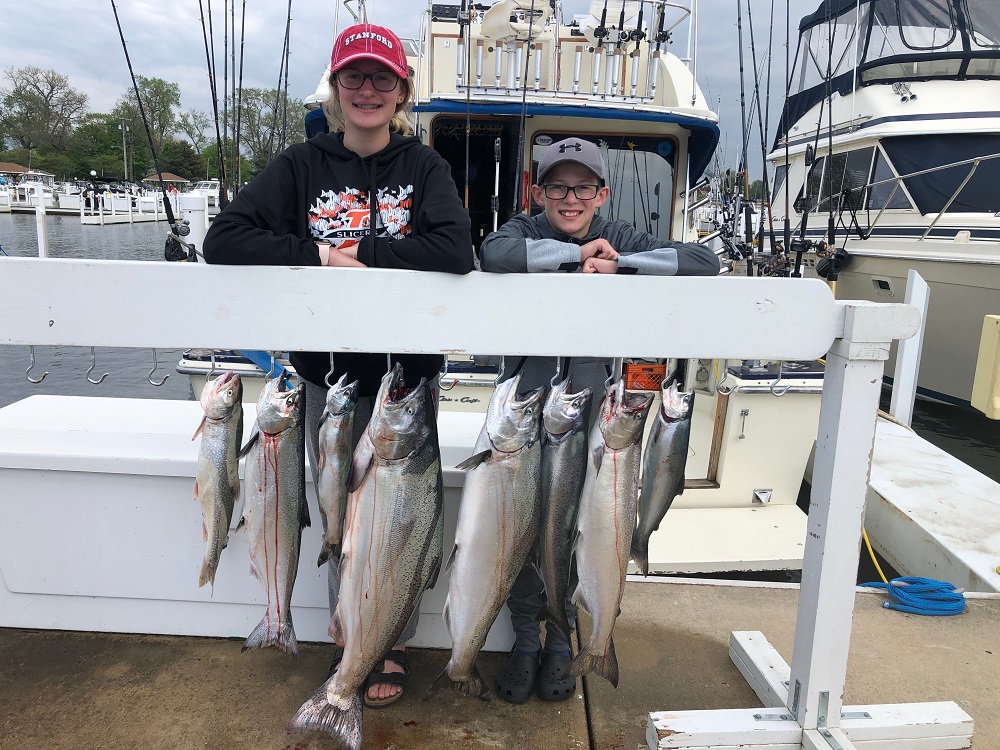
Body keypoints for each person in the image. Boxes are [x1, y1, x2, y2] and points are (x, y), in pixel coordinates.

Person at [202, 22, 473, 707]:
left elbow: (452, 251)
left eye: (383, 78)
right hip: (327, 379)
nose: (368, 90)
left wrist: (369, 255)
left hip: (405, 382)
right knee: (336, 509)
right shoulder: (301, 165)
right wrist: (316, 254)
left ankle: (394, 639)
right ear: (335, 87)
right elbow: (224, 236)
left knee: (402, 517)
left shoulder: (425, 168)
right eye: (354, 76)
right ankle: (348, 632)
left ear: (403, 91)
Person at [479, 136, 719, 704]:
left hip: (598, 424)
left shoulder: (626, 237)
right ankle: (525, 640)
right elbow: (492, 255)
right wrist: (573, 259)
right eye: (557, 186)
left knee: (578, 533)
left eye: (582, 187)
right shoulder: (525, 232)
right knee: (524, 530)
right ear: (538, 192)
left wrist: (621, 264)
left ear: (601, 193)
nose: (570, 198)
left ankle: (564, 640)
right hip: (527, 422)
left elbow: (704, 263)